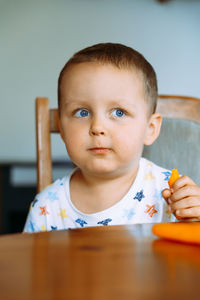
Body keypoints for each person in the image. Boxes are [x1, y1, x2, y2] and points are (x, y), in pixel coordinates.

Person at [24, 43, 200, 233]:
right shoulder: (46, 207)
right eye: (82, 112)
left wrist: (195, 220)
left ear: (150, 129)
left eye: (119, 112)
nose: (97, 127)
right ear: (62, 128)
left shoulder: (175, 195)